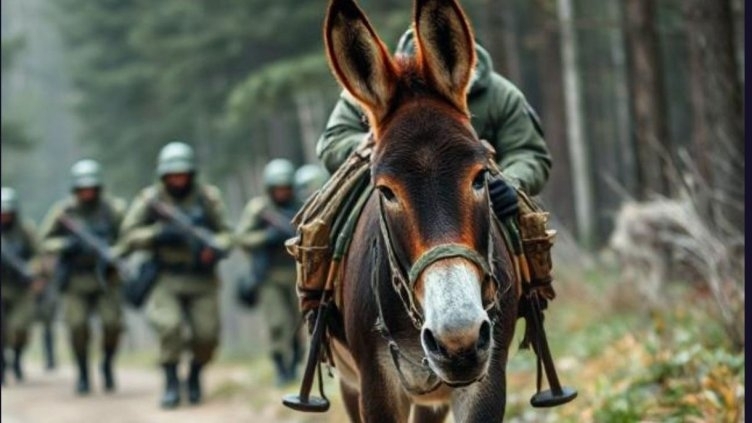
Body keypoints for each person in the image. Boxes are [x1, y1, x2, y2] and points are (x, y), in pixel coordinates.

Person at [316, 27, 553, 285]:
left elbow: (529, 152)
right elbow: (333, 141)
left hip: (479, 192)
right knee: (328, 220)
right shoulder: (373, 87)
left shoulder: (501, 95)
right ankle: (322, 294)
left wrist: (511, 181)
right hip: (397, 184)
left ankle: (533, 294)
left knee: (528, 228)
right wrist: (384, 152)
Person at [117, 141, 232, 408]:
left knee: (207, 335)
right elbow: (128, 235)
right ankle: (171, 382)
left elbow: (227, 233)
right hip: (165, 277)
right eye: (172, 175)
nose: (178, 180)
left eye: (182, 174)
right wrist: (158, 234)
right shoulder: (150, 200)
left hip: (201, 277)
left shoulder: (207, 197)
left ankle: (194, 374)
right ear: (164, 176)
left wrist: (214, 248)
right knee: (169, 327)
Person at [38, 160, 127, 394]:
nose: (87, 192)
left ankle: (107, 363)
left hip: (106, 278)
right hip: (75, 280)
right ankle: (83, 372)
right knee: (76, 326)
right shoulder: (64, 213)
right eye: (82, 188)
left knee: (112, 324)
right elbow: (44, 241)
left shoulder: (113, 210)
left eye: (91, 188)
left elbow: (128, 238)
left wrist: (112, 252)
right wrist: (67, 244)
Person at [236, 159, 303, 386]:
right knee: (277, 322)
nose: (282, 193)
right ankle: (280, 367)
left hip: (297, 274)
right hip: (269, 276)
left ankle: (295, 361)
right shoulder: (260, 210)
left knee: (297, 323)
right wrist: (267, 238)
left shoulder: (302, 207)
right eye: (278, 188)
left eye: (286, 188)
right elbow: (243, 238)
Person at [1, 187, 45, 386]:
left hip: (20, 288)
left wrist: (32, 270)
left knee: (20, 328)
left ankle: (17, 357)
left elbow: (39, 254)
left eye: (8, 213)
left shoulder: (25, 230)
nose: (5, 216)